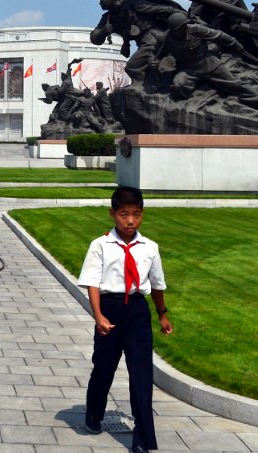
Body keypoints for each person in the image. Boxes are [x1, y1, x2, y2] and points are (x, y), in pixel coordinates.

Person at [78, 187, 172, 453]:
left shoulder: (149, 247)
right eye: (124, 214)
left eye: (136, 214)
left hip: (137, 313)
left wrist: (162, 314)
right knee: (104, 367)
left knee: (141, 374)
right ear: (113, 214)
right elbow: (93, 284)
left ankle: (143, 438)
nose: (130, 221)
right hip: (110, 309)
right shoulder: (101, 245)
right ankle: (94, 412)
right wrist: (98, 316)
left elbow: (157, 284)